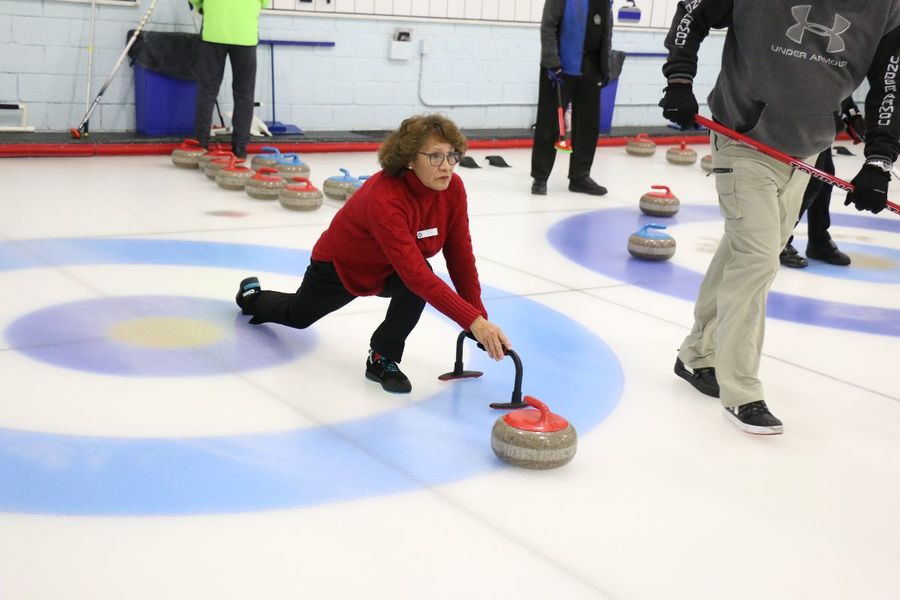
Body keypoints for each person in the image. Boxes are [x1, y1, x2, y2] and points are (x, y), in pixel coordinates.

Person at [660, 1, 900, 434]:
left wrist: (879, 159)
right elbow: (693, 11)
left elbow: (891, 82)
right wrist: (680, 78)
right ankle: (742, 391)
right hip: (744, 140)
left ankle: (696, 354)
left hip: (806, 152)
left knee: (746, 251)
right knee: (757, 260)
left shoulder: (887, 8)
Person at [234, 114, 512, 393]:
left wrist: (479, 318)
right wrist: (472, 321)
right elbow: (414, 274)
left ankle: (381, 358)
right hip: (341, 265)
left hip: (392, 268)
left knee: (418, 282)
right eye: (435, 156)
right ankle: (252, 298)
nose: (446, 166)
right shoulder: (385, 197)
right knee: (298, 316)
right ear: (409, 159)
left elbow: (460, 256)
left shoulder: (453, 189)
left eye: (452, 155)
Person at [530, 0, 613, 196]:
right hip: (560, 66)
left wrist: (605, 67)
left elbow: (606, 33)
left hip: (592, 67)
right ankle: (540, 177)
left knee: (588, 125)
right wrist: (552, 61)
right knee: (549, 123)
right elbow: (548, 26)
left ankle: (580, 177)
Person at [780, 98, 866, 268]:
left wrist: (852, 114)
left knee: (824, 183)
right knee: (808, 186)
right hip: (803, 128)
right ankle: (781, 240)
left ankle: (818, 239)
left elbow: (841, 90)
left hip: (824, 130)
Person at [190, 0, 267, 159]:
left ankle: (201, 144)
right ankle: (240, 149)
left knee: (207, 91)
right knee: (244, 93)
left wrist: (202, 7)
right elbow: (264, 2)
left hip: (213, 32)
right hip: (245, 34)